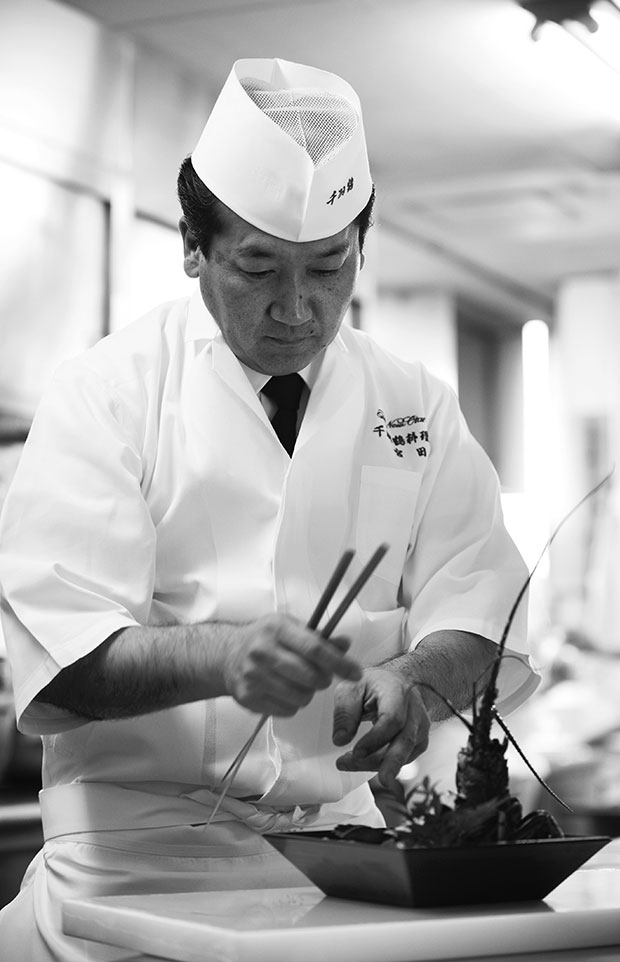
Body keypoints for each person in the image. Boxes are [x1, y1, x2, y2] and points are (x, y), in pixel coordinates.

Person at [0, 57, 540, 960]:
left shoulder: (414, 403)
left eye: (329, 269)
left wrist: (414, 679)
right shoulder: (106, 394)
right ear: (191, 245)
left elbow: (485, 607)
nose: (298, 309)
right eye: (257, 268)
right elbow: (62, 660)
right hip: (133, 861)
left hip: (346, 861)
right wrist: (224, 656)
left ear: (363, 247)